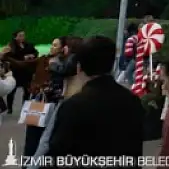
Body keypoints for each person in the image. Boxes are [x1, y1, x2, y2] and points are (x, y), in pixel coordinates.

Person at [44, 36, 143, 164]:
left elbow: (58, 154)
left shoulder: (73, 106)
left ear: (79, 67)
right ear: (112, 64)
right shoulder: (133, 101)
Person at [29, 37, 82, 159]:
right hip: (39, 99)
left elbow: (64, 74)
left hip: (52, 101)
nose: (52, 47)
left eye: (55, 45)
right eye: (52, 45)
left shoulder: (64, 62)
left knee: (46, 137)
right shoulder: (45, 59)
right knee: (34, 136)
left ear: (64, 48)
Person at [2, 30, 38, 114]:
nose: (22, 37)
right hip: (16, 71)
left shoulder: (29, 45)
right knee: (12, 91)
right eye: (20, 35)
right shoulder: (11, 46)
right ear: (15, 37)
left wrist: (32, 55)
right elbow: (9, 57)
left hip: (26, 72)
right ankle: (10, 108)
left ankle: (24, 107)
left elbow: (35, 52)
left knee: (27, 91)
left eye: (23, 35)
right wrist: (23, 57)